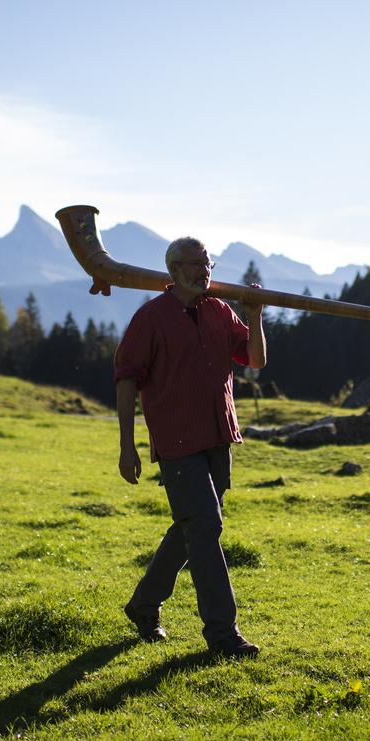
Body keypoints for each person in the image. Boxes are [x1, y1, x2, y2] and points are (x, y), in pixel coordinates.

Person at [113, 235, 266, 657]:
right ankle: (222, 634)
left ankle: (144, 605)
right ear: (174, 270)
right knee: (205, 528)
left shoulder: (219, 310)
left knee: (192, 528)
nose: (205, 271)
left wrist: (253, 316)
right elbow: (126, 380)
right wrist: (128, 447)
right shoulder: (151, 319)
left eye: (208, 263)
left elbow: (255, 360)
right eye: (196, 264)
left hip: (219, 436)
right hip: (178, 441)